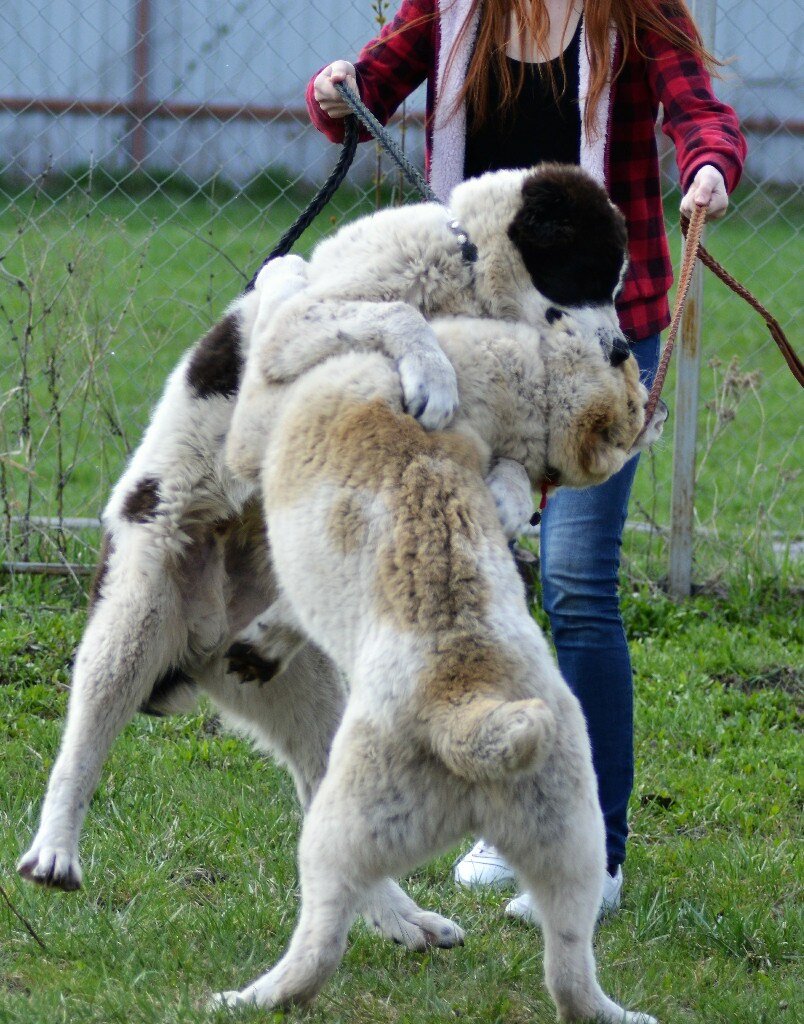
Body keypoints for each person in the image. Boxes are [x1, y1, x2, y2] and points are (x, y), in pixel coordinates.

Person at [307, 0, 746, 925]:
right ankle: (505, 814)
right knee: (483, 577)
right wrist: (335, 90)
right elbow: (364, 85)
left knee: (579, 581)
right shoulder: (454, 9)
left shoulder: (634, 9)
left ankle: (599, 845)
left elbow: (696, 107)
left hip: (603, 336)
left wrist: (708, 166)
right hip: (482, 338)